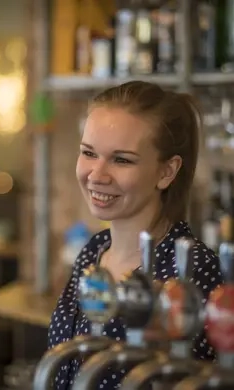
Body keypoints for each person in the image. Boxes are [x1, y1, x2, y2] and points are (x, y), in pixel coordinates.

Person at [47, 81, 223, 389]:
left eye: (121, 159)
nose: (96, 175)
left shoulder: (192, 272)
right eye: (89, 152)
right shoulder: (94, 251)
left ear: (166, 171)